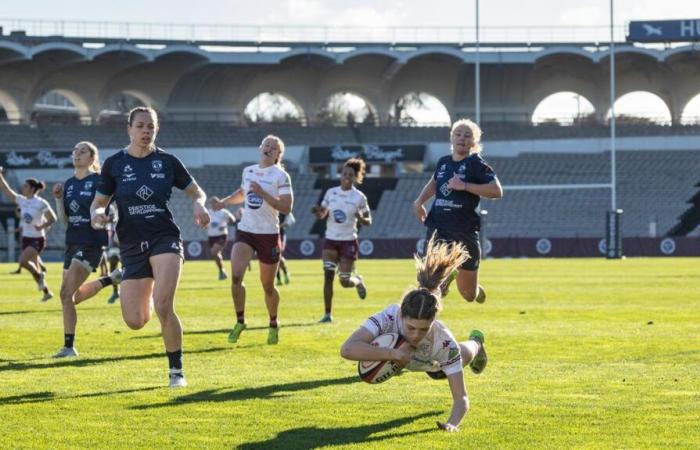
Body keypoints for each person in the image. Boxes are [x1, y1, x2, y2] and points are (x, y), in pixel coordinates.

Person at [90, 106, 210, 388]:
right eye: (141, 126)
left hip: (163, 237)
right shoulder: (114, 164)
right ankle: (134, 280)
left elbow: (196, 191)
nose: (146, 131)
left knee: (165, 305)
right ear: (129, 129)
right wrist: (97, 214)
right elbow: (98, 203)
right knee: (135, 320)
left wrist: (199, 204)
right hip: (131, 243)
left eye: (151, 127)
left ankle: (176, 372)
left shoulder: (167, 161)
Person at [340, 237, 488, 432]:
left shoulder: (443, 341)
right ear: (401, 315)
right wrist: (393, 354)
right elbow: (347, 349)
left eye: (424, 329)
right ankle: (438, 288)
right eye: (411, 328)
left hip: (433, 361)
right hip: (405, 355)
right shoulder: (389, 317)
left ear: (433, 322)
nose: (417, 335)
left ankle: (477, 343)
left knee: (447, 366)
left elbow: (461, 398)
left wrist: (452, 424)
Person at [214, 135, 293, 345]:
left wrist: (263, 193)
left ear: (278, 155)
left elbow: (286, 207)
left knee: (267, 286)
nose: (269, 148)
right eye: (267, 145)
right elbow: (242, 193)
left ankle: (273, 323)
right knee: (236, 277)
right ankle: (240, 321)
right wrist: (224, 203)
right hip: (246, 231)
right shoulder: (248, 171)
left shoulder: (281, 176)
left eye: (274, 147)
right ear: (260, 148)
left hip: (268, 234)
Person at [413, 118, 503, 303]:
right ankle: (427, 323)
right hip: (438, 226)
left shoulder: (476, 164)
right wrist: (419, 201)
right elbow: (434, 183)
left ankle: (471, 286)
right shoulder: (443, 162)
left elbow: (496, 191)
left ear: (474, 142)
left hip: (465, 231)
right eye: (458, 134)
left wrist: (464, 186)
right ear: (452, 138)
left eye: (467, 135)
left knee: (468, 295)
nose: (462, 138)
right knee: (428, 283)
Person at [51, 141, 124, 358]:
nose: (77, 154)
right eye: (75, 151)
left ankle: (69, 347)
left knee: (65, 293)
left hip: (91, 242)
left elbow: (114, 210)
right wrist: (57, 199)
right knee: (70, 298)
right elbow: (64, 221)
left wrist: (108, 221)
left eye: (83, 151)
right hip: (71, 241)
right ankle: (109, 280)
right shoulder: (69, 184)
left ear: (93, 158)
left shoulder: (99, 181)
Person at [312, 158, 371, 323]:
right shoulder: (331, 192)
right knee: (328, 276)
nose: (346, 176)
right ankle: (327, 314)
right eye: (344, 173)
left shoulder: (359, 197)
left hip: (348, 241)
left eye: (350, 174)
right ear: (340, 174)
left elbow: (368, 221)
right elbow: (323, 214)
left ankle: (357, 281)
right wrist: (318, 212)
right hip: (330, 240)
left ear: (356, 177)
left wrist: (361, 218)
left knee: (344, 281)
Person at [0, 170, 56, 301]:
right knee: (33, 268)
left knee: (23, 261)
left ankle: (40, 275)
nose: (22, 188)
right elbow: (5, 189)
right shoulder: (22, 201)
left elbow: (53, 218)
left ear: (32, 188)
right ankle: (47, 292)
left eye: (25, 186)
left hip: (37, 239)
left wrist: (42, 226)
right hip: (26, 238)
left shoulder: (41, 202)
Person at [206, 196, 237, 280]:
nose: (212, 205)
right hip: (211, 236)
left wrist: (226, 223)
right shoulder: (208, 212)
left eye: (214, 203)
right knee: (216, 254)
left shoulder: (224, 212)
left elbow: (233, 220)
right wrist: (204, 225)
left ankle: (222, 271)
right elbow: (205, 224)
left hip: (221, 235)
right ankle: (222, 271)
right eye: (211, 203)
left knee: (214, 252)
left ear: (218, 203)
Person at [102, 202, 121, 304]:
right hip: (114, 240)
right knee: (113, 264)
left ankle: (129, 290)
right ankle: (115, 291)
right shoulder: (110, 207)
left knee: (128, 266)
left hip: (126, 240)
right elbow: (112, 219)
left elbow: (113, 218)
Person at [275, 212, 295, 286]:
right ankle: (280, 278)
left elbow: (291, 220)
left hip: (280, 235)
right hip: (270, 234)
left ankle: (284, 275)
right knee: (274, 256)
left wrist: (279, 226)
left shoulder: (283, 209)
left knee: (277, 256)